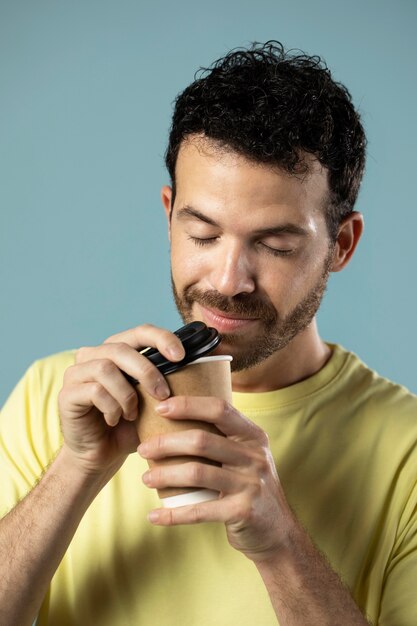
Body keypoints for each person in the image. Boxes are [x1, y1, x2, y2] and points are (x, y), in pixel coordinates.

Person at [0, 41, 416, 626]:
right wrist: (75, 468)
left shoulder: (408, 454)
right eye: (202, 235)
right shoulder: (53, 397)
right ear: (169, 214)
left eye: (274, 245)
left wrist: (282, 548)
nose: (227, 281)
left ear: (340, 246)